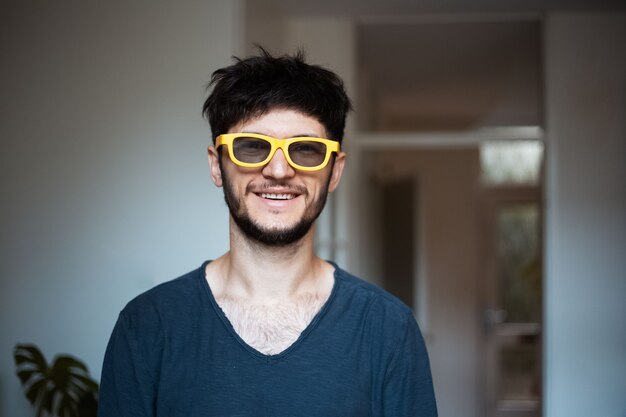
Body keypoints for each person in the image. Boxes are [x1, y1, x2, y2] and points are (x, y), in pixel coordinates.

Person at [98, 48, 437, 417]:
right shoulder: (147, 327)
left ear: (335, 171)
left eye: (305, 151)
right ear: (217, 165)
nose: (278, 170)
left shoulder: (388, 330)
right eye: (252, 147)